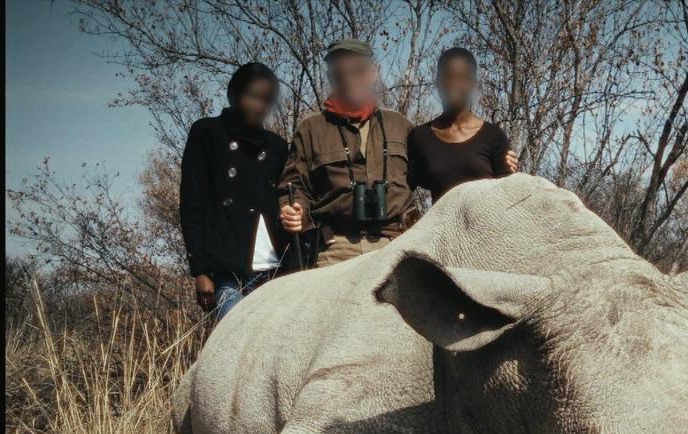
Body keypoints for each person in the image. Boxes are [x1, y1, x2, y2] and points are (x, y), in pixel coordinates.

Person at [280, 39, 518, 267]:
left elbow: (443, 168)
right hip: (336, 247)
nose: (349, 79)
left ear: (373, 73)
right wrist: (296, 210)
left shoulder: (400, 126)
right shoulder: (311, 129)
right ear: (331, 77)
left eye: (357, 71)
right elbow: (294, 185)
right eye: (339, 73)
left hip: (394, 243)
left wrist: (502, 167)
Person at [179, 62, 290, 320]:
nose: (258, 106)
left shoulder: (276, 147)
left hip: (270, 268)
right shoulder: (207, 133)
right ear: (234, 94)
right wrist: (200, 271)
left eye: (266, 99)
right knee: (236, 341)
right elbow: (192, 204)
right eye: (252, 96)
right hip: (224, 269)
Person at [407, 47, 515, 202]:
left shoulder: (493, 136)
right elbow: (404, 186)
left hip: (487, 225)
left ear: (473, 84)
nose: (454, 84)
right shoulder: (420, 137)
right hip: (442, 225)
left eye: (462, 78)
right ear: (437, 82)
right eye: (447, 77)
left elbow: (508, 194)